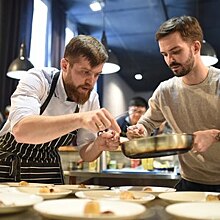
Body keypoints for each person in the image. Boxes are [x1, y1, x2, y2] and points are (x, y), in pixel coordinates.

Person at [0, 35, 121, 184]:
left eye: (96, 74)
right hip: (10, 165)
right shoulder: (38, 79)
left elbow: (85, 153)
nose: (91, 82)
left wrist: (98, 145)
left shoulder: (91, 98)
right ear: (65, 65)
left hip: (48, 168)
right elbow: (21, 130)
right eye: (85, 72)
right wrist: (79, 119)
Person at [127, 16, 220, 192]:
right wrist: (139, 130)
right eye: (165, 54)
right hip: (189, 183)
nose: (170, 60)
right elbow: (146, 124)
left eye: (176, 51)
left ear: (195, 47)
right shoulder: (165, 91)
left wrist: (215, 135)